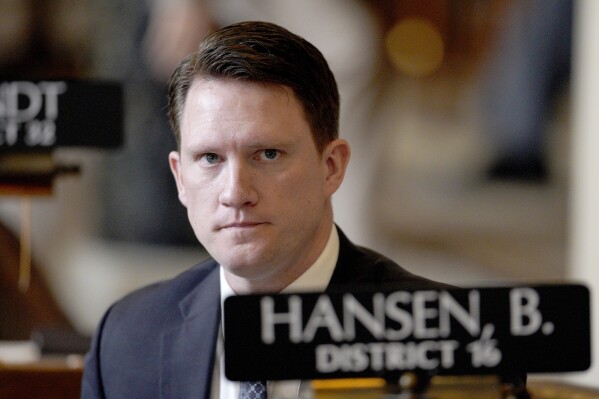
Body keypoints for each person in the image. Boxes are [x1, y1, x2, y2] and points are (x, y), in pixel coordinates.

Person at [80, 21, 452, 399]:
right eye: (210, 158)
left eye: (268, 154)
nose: (236, 192)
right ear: (179, 178)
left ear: (332, 167)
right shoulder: (127, 339)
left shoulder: (441, 334)